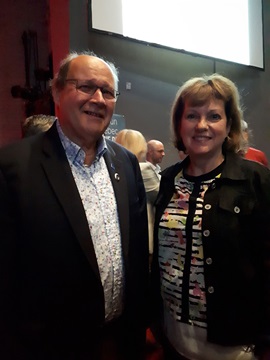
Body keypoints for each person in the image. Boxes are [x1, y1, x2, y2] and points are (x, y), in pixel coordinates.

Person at [0, 50, 149, 360]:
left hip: (118, 342)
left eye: (107, 91)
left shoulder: (127, 162)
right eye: (85, 87)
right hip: (48, 348)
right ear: (57, 91)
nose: (98, 98)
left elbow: (134, 257)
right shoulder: (12, 167)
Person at [150, 73, 270, 360]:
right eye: (192, 115)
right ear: (179, 125)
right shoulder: (168, 181)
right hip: (173, 342)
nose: (202, 125)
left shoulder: (256, 181)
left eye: (214, 116)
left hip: (235, 347)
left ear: (229, 126)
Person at [140, 140, 165, 256]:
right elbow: (159, 195)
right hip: (148, 223)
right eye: (160, 151)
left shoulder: (158, 170)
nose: (163, 154)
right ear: (150, 152)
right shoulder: (144, 169)